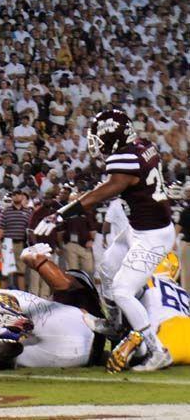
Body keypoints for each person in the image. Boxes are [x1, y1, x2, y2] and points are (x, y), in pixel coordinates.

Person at [35, 110, 176, 371]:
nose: (96, 144)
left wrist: (60, 215)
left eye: (98, 138)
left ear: (111, 136)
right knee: (107, 268)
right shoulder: (142, 146)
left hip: (152, 236)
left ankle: (157, 350)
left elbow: (104, 192)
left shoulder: (125, 160)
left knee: (122, 290)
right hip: (140, 228)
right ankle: (115, 323)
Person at [0, 189, 32, 290]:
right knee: (5, 272)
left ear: (22, 196)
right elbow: (0, 229)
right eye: (14, 195)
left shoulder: (27, 212)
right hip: (7, 243)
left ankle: (22, 295)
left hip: (21, 243)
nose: (16, 196)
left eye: (18, 194)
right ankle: (3, 294)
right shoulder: (5, 211)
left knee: (21, 272)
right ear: (12, 197)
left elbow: (29, 230)